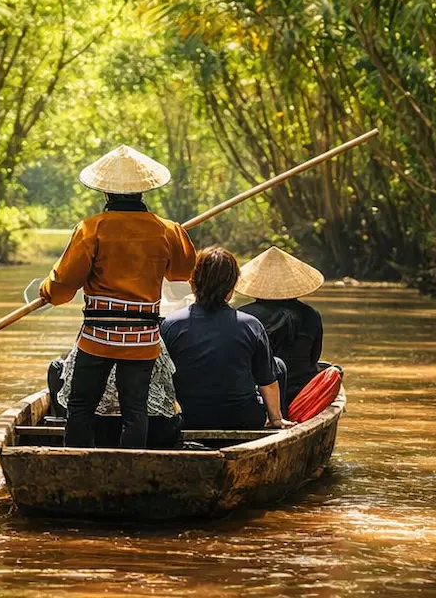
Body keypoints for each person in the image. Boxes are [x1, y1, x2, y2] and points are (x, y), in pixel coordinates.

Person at [37, 144, 197, 448]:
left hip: (98, 335)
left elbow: (61, 288)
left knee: (80, 407)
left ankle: (76, 466)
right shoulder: (167, 229)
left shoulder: (91, 229)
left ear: (106, 194)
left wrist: (45, 290)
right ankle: (130, 466)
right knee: (135, 411)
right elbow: (182, 271)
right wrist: (174, 237)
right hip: (142, 340)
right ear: (142, 193)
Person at [160, 246, 291, 430]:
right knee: (277, 365)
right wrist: (276, 419)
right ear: (232, 287)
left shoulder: (171, 324)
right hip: (243, 418)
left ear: (192, 282)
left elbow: (161, 378)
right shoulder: (251, 325)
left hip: (187, 417)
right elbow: (267, 383)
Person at [47, 344, 182, 448]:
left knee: (60, 373)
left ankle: (76, 463)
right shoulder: (152, 339)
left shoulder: (91, 338)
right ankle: (131, 466)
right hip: (153, 430)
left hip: (99, 428)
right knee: (137, 408)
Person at [236, 246, 325, 403]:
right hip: (300, 394)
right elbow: (313, 359)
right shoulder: (311, 315)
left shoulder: (242, 316)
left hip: (258, 396)